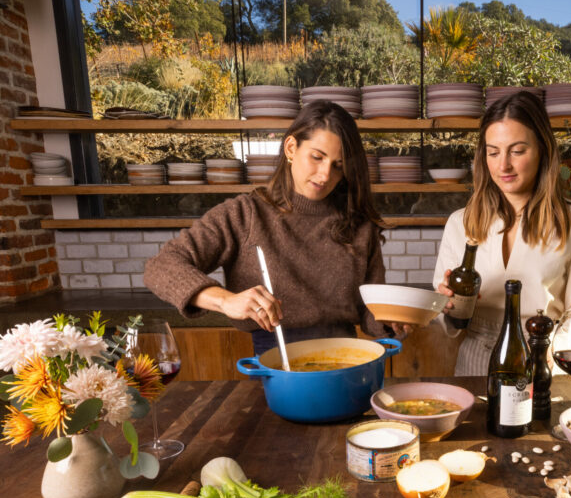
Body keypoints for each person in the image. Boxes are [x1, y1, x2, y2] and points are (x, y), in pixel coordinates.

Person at [144, 100, 409, 355]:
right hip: (272, 364)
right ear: (291, 148)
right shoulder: (245, 214)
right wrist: (225, 301)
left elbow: (369, 312)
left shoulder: (359, 225)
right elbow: (161, 267)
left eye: (338, 166)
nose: (326, 175)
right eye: (317, 157)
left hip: (347, 362)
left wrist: (393, 321)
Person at [432, 91, 571, 375]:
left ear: (542, 150)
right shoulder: (460, 223)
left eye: (517, 151)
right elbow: (448, 322)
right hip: (476, 363)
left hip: (542, 359)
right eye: (493, 152)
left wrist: (551, 350)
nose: (503, 166)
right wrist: (448, 306)